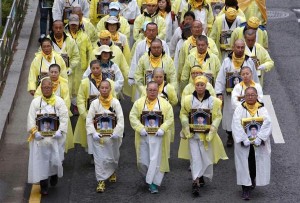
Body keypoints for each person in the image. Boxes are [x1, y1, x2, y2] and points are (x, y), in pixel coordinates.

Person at [179, 75, 228, 196]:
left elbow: (217, 116)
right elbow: (183, 114)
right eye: (197, 85)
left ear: (206, 86)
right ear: (194, 86)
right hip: (193, 135)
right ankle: (195, 182)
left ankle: (200, 176)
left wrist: (212, 129)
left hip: (206, 137)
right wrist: (186, 127)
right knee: (195, 158)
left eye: (202, 85)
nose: (200, 87)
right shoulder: (188, 100)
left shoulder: (214, 101)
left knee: (205, 158)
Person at [129, 81, 174, 194]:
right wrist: (140, 128)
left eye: (155, 90)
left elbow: (170, 118)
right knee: (143, 161)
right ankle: (147, 177)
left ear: (158, 90)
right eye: (150, 90)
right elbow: (132, 116)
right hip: (143, 136)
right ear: (146, 90)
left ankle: (153, 183)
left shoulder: (165, 104)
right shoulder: (139, 103)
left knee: (156, 160)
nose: (152, 92)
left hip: (158, 137)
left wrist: (162, 129)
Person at [27, 78, 68, 195]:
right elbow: (30, 118)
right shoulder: (35, 102)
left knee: (55, 159)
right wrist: (35, 132)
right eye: (44, 87)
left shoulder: (59, 101)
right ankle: (43, 184)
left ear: (52, 87)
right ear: (41, 88)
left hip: (55, 138)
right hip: (41, 139)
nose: (46, 89)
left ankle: (54, 174)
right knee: (42, 162)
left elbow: (64, 118)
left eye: (49, 87)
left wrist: (60, 131)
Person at [215, 39, 259, 147]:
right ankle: (230, 136)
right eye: (238, 47)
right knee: (230, 116)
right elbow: (220, 79)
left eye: (242, 47)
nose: (240, 50)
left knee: (244, 115)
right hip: (230, 97)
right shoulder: (227, 61)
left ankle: (245, 135)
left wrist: (256, 92)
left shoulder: (249, 62)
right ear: (233, 48)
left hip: (246, 96)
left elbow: (255, 79)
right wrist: (219, 93)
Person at [232, 87, 272, 200]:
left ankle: (253, 178)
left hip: (258, 143)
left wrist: (260, 138)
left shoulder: (262, 108)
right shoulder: (240, 109)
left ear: (256, 96)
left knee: (255, 163)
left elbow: (268, 123)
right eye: (248, 95)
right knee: (244, 165)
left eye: (252, 95)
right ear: (244, 97)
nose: (250, 97)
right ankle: (245, 188)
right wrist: (244, 138)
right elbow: (236, 123)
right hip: (244, 144)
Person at [74, 60, 116, 162]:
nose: (96, 70)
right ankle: (93, 156)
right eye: (93, 68)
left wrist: (111, 113)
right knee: (92, 137)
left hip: (105, 115)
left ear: (101, 68)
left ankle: (105, 155)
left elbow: (113, 98)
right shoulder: (84, 83)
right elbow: (80, 99)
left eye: (98, 68)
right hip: (90, 115)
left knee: (105, 135)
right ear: (90, 69)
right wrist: (85, 115)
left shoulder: (109, 82)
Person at [86, 80, 124, 192]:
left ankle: (112, 171)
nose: (104, 90)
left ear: (110, 89)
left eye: (106, 88)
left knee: (112, 157)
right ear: (99, 89)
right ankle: (101, 181)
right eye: (102, 88)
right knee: (99, 160)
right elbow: (89, 120)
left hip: (112, 137)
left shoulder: (115, 103)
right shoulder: (94, 103)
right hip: (99, 138)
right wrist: (93, 133)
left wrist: (116, 132)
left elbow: (120, 119)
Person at [35, 64, 74, 152]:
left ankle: (60, 157)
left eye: (55, 72)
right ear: (48, 72)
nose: (53, 74)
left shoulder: (64, 83)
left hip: (59, 113)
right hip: (45, 113)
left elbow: (67, 99)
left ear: (59, 73)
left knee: (59, 137)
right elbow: (37, 96)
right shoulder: (43, 82)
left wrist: (62, 112)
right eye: (51, 72)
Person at [49, 20, 80, 99]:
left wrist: (71, 67)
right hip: (51, 74)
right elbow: (41, 56)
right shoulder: (47, 42)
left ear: (63, 28)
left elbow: (76, 56)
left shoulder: (70, 40)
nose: (58, 30)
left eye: (60, 28)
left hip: (66, 74)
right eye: (56, 28)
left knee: (66, 96)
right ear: (53, 28)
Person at [65, 14, 93, 96]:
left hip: (81, 69)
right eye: (72, 24)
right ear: (69, 24)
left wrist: (89, 67)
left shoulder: (85, 36)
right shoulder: (64, 36)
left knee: (80, 91)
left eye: (75, 24)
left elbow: (90, 52)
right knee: (68, 90)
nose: (73, 26)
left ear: (79, 24)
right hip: (68, 68)